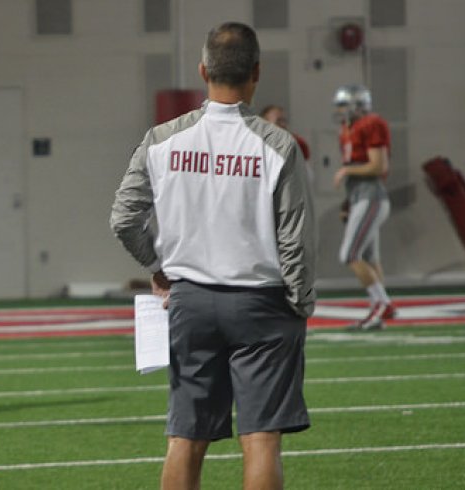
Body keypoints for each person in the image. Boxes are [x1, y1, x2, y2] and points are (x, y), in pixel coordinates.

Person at [110, 22, 316, 490]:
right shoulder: (277, 144)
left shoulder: (162, 139)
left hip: (191, 301)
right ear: (256, 73)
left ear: (203, 70)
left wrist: (159, 270)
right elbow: (295, 239)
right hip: (263, 303)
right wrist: (301, 302)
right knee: (261, 439)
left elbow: (123, 218)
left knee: (185, 437)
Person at [332, 84, 395, 331]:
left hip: (372, 197)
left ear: (358, 105)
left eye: (343, 105)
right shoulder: (347, 129)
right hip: (360, 198)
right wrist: (348, 203)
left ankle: (384, 303)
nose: (339, 111)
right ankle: (377, 311)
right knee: (370, 257)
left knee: (349, 254)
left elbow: (378, 166)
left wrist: (347, 169)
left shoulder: (371, 123)